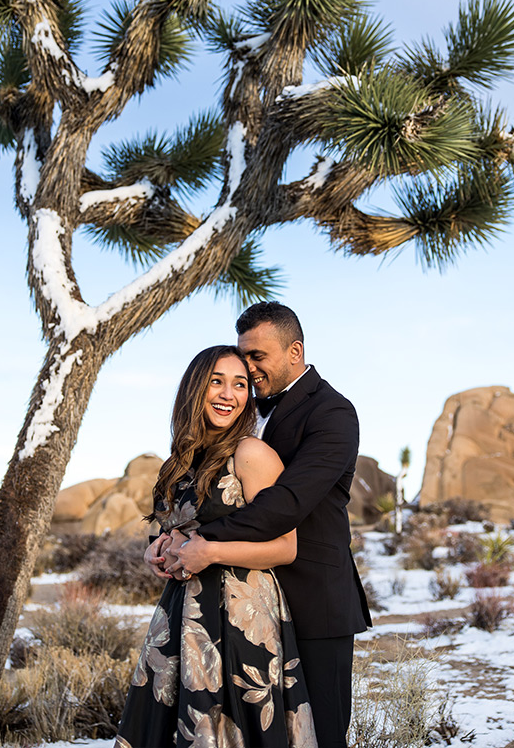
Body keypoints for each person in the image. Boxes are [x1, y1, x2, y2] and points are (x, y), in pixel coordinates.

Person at [156, 303, 371, 748]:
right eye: (243, 355)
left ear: (295, 351)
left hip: (313, 601)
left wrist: (200, 543)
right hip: (242, 610)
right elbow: (205, 495)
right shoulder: (244, 410)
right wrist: (162, 539)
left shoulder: (333, 413)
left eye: (258, 357)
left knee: (319, 735)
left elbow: (288, 503)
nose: (248, 368)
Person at [115, 344, 318, 748]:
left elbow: (285, 546)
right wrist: (155, 547)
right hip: (181, 613)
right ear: (195, 388)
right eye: (217, 382)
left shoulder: (251, 455)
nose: (229, 394)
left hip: (242, 615)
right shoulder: (179, 462)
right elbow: (180, 527)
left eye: (240, 384)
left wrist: (211, 552)